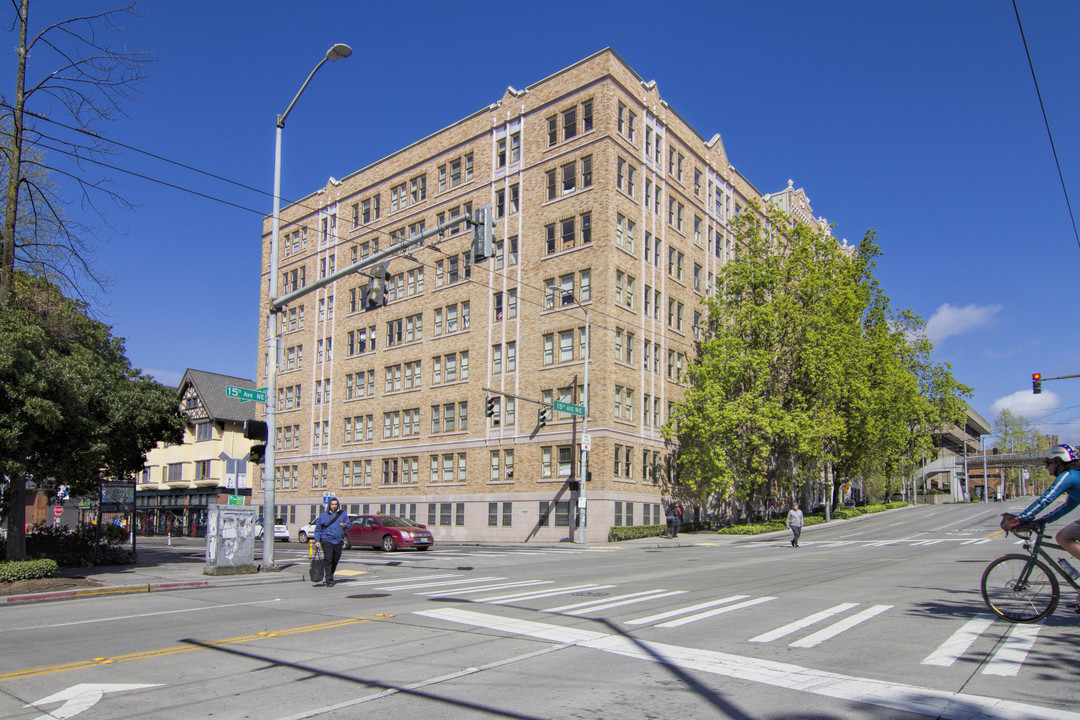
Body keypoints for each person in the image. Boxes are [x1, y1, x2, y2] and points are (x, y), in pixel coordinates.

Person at [1006, 445, 1080, 574]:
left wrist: (1020, 519)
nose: (1046, 467)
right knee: (1063, 537)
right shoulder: (1075, 476)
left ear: (1058, 461)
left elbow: (1046, 499)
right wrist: (1043, 520)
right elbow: (1067, 506)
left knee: (1063, 538)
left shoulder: (1068, 476)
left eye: (1048, 463)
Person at [314, 498, 350, 587]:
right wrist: (317, 540)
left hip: (338, 540)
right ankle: (329, 579)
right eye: (332, 504)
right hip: (327, 540)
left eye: (335, 504)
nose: (334, 506)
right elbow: (318, 529)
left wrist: (345, 525)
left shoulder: (342, 514)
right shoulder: (323, 515)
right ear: (329, 505)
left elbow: (349, 525)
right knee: (328, 559)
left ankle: (331, 573)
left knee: (335, 560)